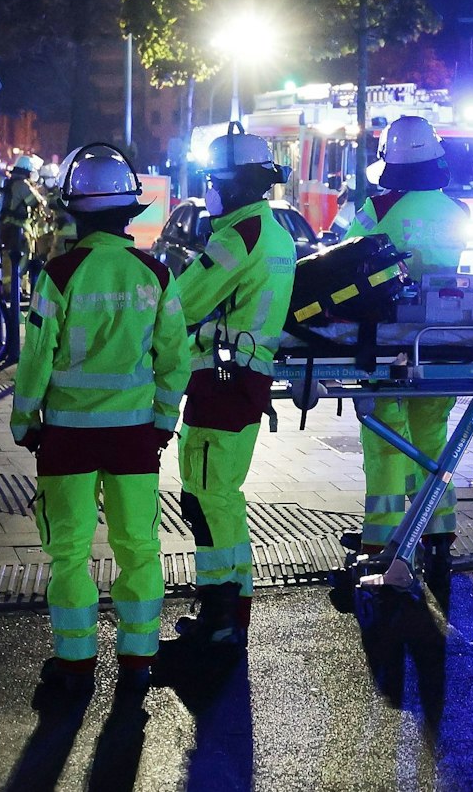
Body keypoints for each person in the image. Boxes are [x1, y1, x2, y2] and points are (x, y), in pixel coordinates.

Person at [11, 144, 188, 710]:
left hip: (67, 436)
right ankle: (137, 661)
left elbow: (36, 356)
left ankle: (75, 664)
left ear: (75, 211)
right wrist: (163, 421)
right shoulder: (155, 274)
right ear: (129, 210)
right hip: (134, 435)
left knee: (68, 552)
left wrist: (25, 419)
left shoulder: (59, 274)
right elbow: (175, 359)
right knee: (138, 547)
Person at [170, 128, 296, 649]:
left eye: (215, 180)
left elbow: (180, 304)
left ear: (238, 185)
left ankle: (220, 618)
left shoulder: (236, 237)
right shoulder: (275, 233)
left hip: (220, 382)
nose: (209, 190)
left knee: (207, 499)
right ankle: (230, 611)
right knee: (221, 498)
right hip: (244, 378)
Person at [342, 116, 470, 572]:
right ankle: (437, 530)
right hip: (440, 338)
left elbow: (346, 259)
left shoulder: (376, 210)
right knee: (432, 435)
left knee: (385, 438)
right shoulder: (457, 211)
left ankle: (382, 538)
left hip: (386, 339)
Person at [0, 154, 45, 293]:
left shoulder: (10, 183)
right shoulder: (22, 185)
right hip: (18, 227)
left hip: (6, 226)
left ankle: (14, 288)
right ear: (27, 171)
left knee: (9, 257)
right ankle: (15, 289)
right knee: (24, 256)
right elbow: (36, 202)